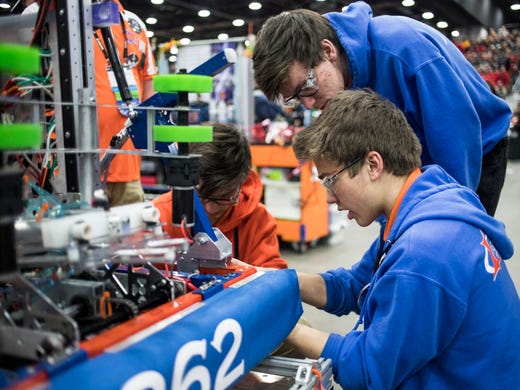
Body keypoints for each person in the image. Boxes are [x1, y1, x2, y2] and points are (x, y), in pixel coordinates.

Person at [264, 89, 518, 388]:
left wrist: (279, 326)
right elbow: (353, 286)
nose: (329, 198)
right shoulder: (427, 204)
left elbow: (369, 370)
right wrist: (274, 281)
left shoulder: (425, 251)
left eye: (331, 179)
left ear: (373, 165)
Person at [252, 1, 511, 216]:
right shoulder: (342, 84)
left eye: (306, 86)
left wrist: (448, 219)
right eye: (296, 98)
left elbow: (457, 138)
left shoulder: (403, 50)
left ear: (327, 50)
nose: (309, 103)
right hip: (421, 157)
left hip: (476, 148)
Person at [152, 123, 288, 269]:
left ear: (240, 184)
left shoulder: (258, 221)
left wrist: (237, 270)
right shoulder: (158, 217)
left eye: (223, 197)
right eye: (199, 196)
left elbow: (275, 281)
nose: (210, 209)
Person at [94, 0, 157, 206]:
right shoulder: (67, 19)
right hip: (77, 168)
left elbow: (149, 81)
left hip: (128, 167)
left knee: (133, 235)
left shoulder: (134, 23)